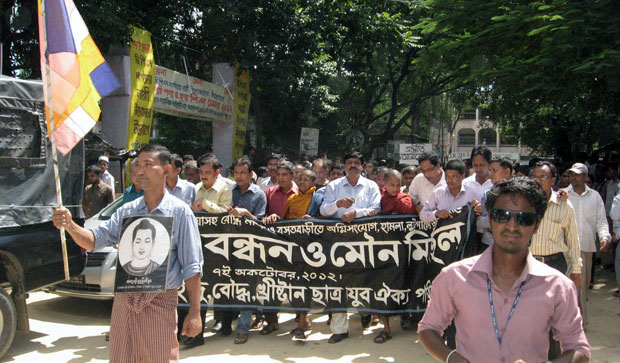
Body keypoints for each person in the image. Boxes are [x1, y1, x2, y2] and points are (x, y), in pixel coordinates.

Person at [52, 144, 203, 362]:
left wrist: (195, 312)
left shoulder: (180, 212)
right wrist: (70, 226)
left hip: (160, 302)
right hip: (124, 300)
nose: (141, 171)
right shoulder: (127, 211)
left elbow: (192, 266)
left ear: (167, 170)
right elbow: (95, 240)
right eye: (138, 165)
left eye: (148, 165)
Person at [418, 177, 591, 363]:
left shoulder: (558, 286)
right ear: (490, 219)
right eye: (502, 215)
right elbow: (428, 329)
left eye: (524, 218)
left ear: (537, 224)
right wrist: (452, 358)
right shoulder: (454, 277)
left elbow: (579, 349)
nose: (512, 226)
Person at [320, 151, 381, 343]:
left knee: (363, 280)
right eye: (349, 163)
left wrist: (356, 213)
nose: (352, 166)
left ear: (363, 166)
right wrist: (338, 204)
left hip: (363, 241)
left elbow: (376, 209)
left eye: (356, 163)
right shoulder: (334, 186)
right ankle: (339, 329)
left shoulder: (371, 186)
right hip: (338, 241)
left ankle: (365, 312)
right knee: (337, 283)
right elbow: (323, 210)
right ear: (344, 165)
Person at [264, 169, 319, 340]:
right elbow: (286, 219)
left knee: (304, 283)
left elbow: (323, 216)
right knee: (288, 282)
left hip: (310, 246)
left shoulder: (317, 197)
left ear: (313, 182)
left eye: (307, 179)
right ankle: (276, 320)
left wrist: (313, 219)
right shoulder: (293, 198)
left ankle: (303, 321)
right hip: (291, 244)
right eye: (300, 179)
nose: (302, 182)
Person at [223, 158, 267, 345]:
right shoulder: (227, 191)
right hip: (227, 245)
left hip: (251, 247)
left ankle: (242, 328)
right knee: (229, 283)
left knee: (248, 285)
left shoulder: (259, 195)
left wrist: (246, 214)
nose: (239, 176)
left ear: (251, 174)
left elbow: (261, 223)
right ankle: (255, 313)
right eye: (236, 172)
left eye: (243, 172)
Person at [565, 162, 611, 327]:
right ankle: (567, 322)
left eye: (577, 174)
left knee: (582, 287)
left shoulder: (595, 197)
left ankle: (580, 321)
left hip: (585, 248)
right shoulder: (563, 196)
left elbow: (601, 221)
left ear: (585, 177)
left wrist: (604, 237)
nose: (573, 177)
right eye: (571, 174)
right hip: (565, 249)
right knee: (565, 286)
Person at [373, 169, 415, 344]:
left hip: (403, 250)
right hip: (381, 249)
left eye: (398, 185)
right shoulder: (378, 199)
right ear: (384, 183)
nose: (395, 188)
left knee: (404, 283)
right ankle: (386, 328)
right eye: (391, 185)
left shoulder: (404, 198)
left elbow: (411, 215)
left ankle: (405, 316)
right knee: (382, 286)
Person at [259, 160, 299, 335]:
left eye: (285, 175)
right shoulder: (269, 192)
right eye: (279, 174)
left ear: (292, 176)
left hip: (295, 246)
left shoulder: (300, 193)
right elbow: (261, 216)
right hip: (272, 246)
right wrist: (268, 218)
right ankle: (271, 321)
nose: (281, 178)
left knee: (296, 283)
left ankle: (301, 320)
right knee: (271, 284)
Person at [420, 159, 481, 223]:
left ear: (462, 176)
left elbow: (478, 217)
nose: (449, 180)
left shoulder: (471, 194)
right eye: (447, 176)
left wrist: (478, 211)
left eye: (453, 176)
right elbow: (423, 215)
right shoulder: (438, 193)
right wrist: (437, 214)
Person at [477, 157, 513, 247]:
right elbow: (480, 222)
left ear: (507, 172)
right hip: (488, 244)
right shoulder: (487, 195)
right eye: (489, 170)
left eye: (494, 170)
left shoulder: (518, 195)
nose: (491, 174)